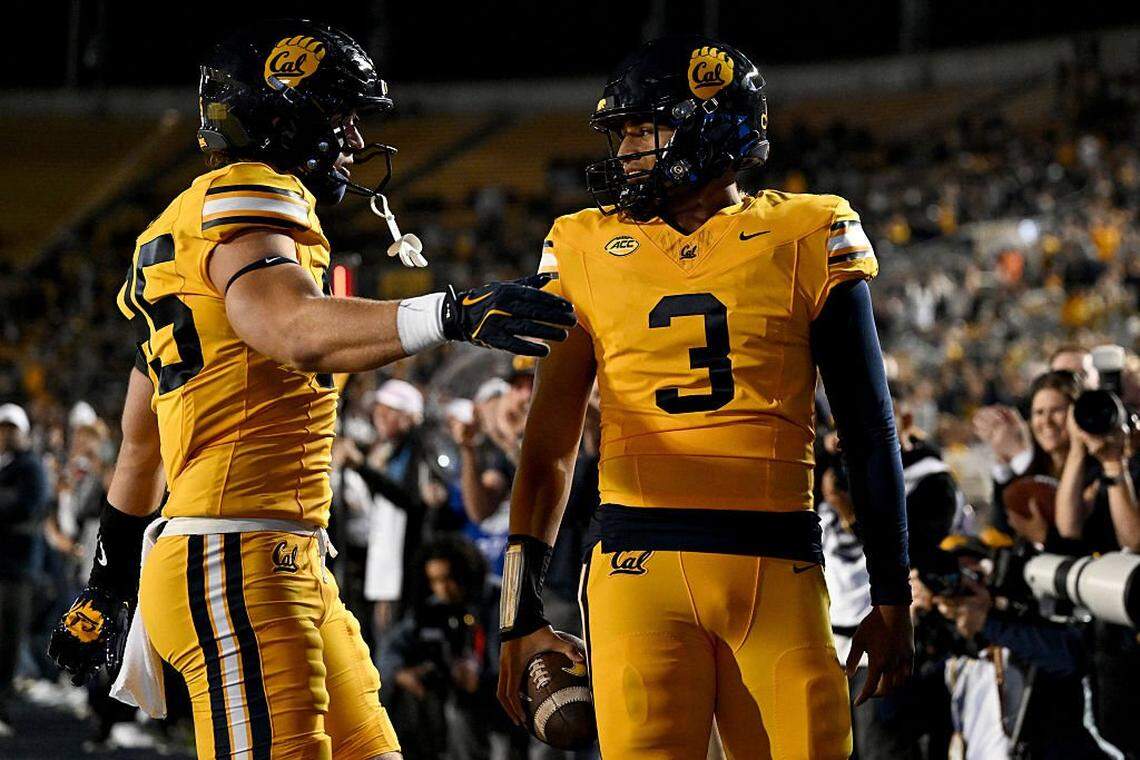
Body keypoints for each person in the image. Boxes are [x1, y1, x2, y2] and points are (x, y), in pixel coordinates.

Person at [46, 19, 574, 760]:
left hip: (275, 559)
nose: (354, 140)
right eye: (337, 115)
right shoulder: (250, 195)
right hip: (234, 559)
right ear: (277, 118)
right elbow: (290, 325)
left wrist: (110, 578)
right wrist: (446, 313)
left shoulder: (178, 231)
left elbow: (142, 437)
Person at [497, 37, 912, 759]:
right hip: (640, 566)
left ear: (707, 126)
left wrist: (891, 593)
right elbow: (550, 444)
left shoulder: (807, 228)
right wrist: (517, 612)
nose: (626, 149)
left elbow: (869, 426)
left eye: (642, 128)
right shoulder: (584, 242)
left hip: (774, 562)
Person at [380, 536, 516, 760]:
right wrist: (401, 674)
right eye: (434, 581)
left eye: (448, 579)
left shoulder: (499, 601)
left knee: (460, 711)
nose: (442, 588)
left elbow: (508, 663)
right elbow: (389, 651)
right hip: (446, 697)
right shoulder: (432, 608)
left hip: (499, 697)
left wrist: (478, 677)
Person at [0, 403, 50, 734]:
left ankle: (2, 710)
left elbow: (29, 506)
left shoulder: (32, 466)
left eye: (12, 428)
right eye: (3, 428)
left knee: (8, 639)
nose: (7, 434)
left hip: (17, 567)